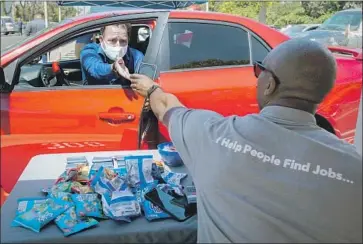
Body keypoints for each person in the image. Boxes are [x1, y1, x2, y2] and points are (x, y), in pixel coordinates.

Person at [128, 39, 362, 243]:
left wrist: (151, 89)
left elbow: (166, 107)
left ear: (270, 84)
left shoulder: (214, 135)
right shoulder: (354, 168)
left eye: (260, 71)